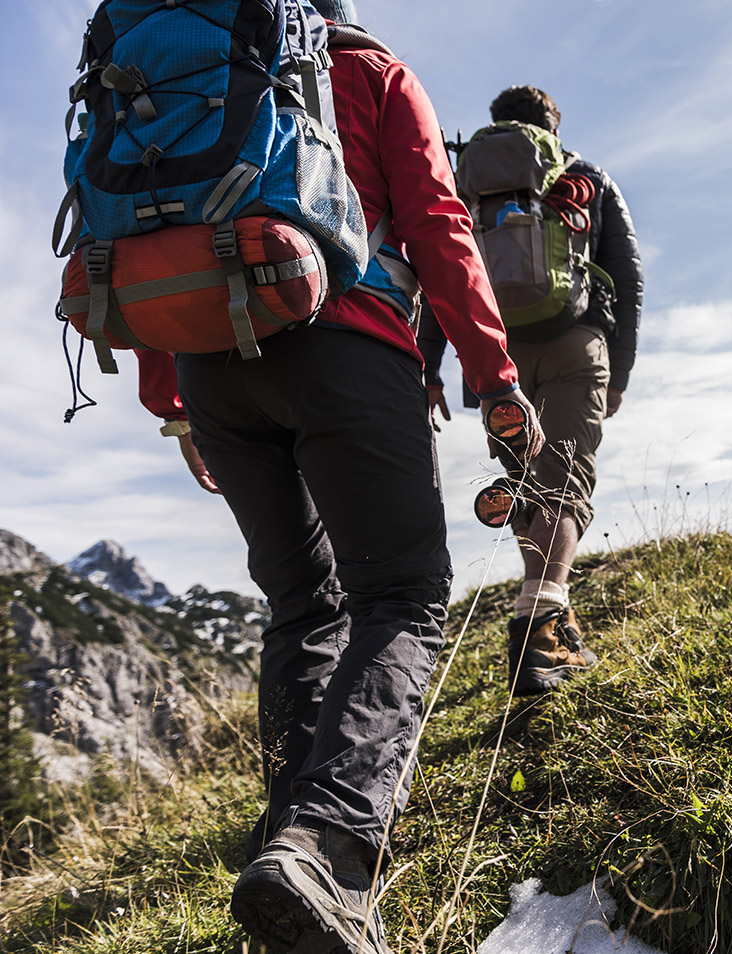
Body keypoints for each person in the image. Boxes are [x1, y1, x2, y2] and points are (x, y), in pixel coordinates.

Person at [137, 7, 542, 954]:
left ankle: (289, 856)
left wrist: (173, 403)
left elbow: (150, 236)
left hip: (210, 365)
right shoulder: (370, 70)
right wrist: (493, 377)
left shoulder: (181, 70)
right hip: (347, 343)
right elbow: (437, 223)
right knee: (400, 595)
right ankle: (326, 850)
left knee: (298, 606)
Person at [419, 85, 644, 696]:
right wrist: (619, 371)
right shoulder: (585, 177)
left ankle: (548, 613)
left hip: (496, 357)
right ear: (552, 127)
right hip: (575, 341)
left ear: (495, 124)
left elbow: (444, 269)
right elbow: (627, 277)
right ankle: (540, 630)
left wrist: (429, 366)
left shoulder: (467, 182)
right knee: (564, 479)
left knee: (527, 482)